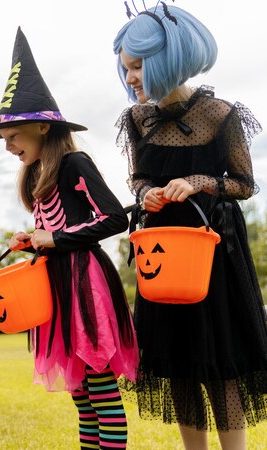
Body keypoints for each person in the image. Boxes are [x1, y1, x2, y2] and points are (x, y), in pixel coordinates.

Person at [0, 28, 139, 449]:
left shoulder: (74, 164)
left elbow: (115, 219)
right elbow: (52, 232)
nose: (8, 146)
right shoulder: (36, 175)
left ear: (42, 128)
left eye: (12, 137)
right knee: (81, 395)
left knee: (100, 385)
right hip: (55, 287)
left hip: (86, 284)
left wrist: (54, 239)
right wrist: (31, 240)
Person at [113, 4, 267, 449]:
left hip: (216, 252)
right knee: (178, 360)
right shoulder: (137, 120)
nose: (131, 79)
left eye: (137, 67)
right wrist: (147, 194)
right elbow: (137, 177)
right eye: (126, 70)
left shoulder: (221, 114)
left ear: (170, 59)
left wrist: (199, 182)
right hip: (162, 256)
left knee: (223, 359)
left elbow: (244, 183)